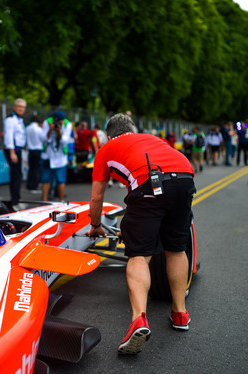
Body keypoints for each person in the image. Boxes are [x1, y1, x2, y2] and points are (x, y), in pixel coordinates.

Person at [85, 114, 195, 355]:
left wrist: (95, 225)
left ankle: (138, 320)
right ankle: (180, 313)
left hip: (150, 182)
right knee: (176, 249)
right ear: (133, 130)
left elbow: (96, 197)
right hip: (185, 176)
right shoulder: (151, 138)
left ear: (110, 135)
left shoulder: (106, 148)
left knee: (139, 255)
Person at [40, 111, 72, 201]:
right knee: (45, 180)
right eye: (56, 122)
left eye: (60, 121)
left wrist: (59, 131)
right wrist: (50, 130)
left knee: (60, 180)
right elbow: (43, 139)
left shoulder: (67, 124)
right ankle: (44, 201)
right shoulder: (47, 122)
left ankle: (61, 201)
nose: (58, 123)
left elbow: (64, 141)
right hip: (47, 156)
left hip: (60, 158)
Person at [3, 98, 27, 208]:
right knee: (16, 175)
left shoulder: (20, 120)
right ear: (15, 107)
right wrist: (12, 153)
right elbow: (9, 137)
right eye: (19, 107)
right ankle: (15, 201)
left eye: (23, 107)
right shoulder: (10, 119)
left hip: (18, 149)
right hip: (12, 149)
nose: (21, 109)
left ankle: (17, 198)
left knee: (18, 175)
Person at [25, 115, 43, 193]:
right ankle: (34, 186)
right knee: (36, 169)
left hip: (30, 150)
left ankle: (29, 185)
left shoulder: (27, 128)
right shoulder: (39, 129)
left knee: (31, 168)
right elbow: (43, 139)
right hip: (37, 150)